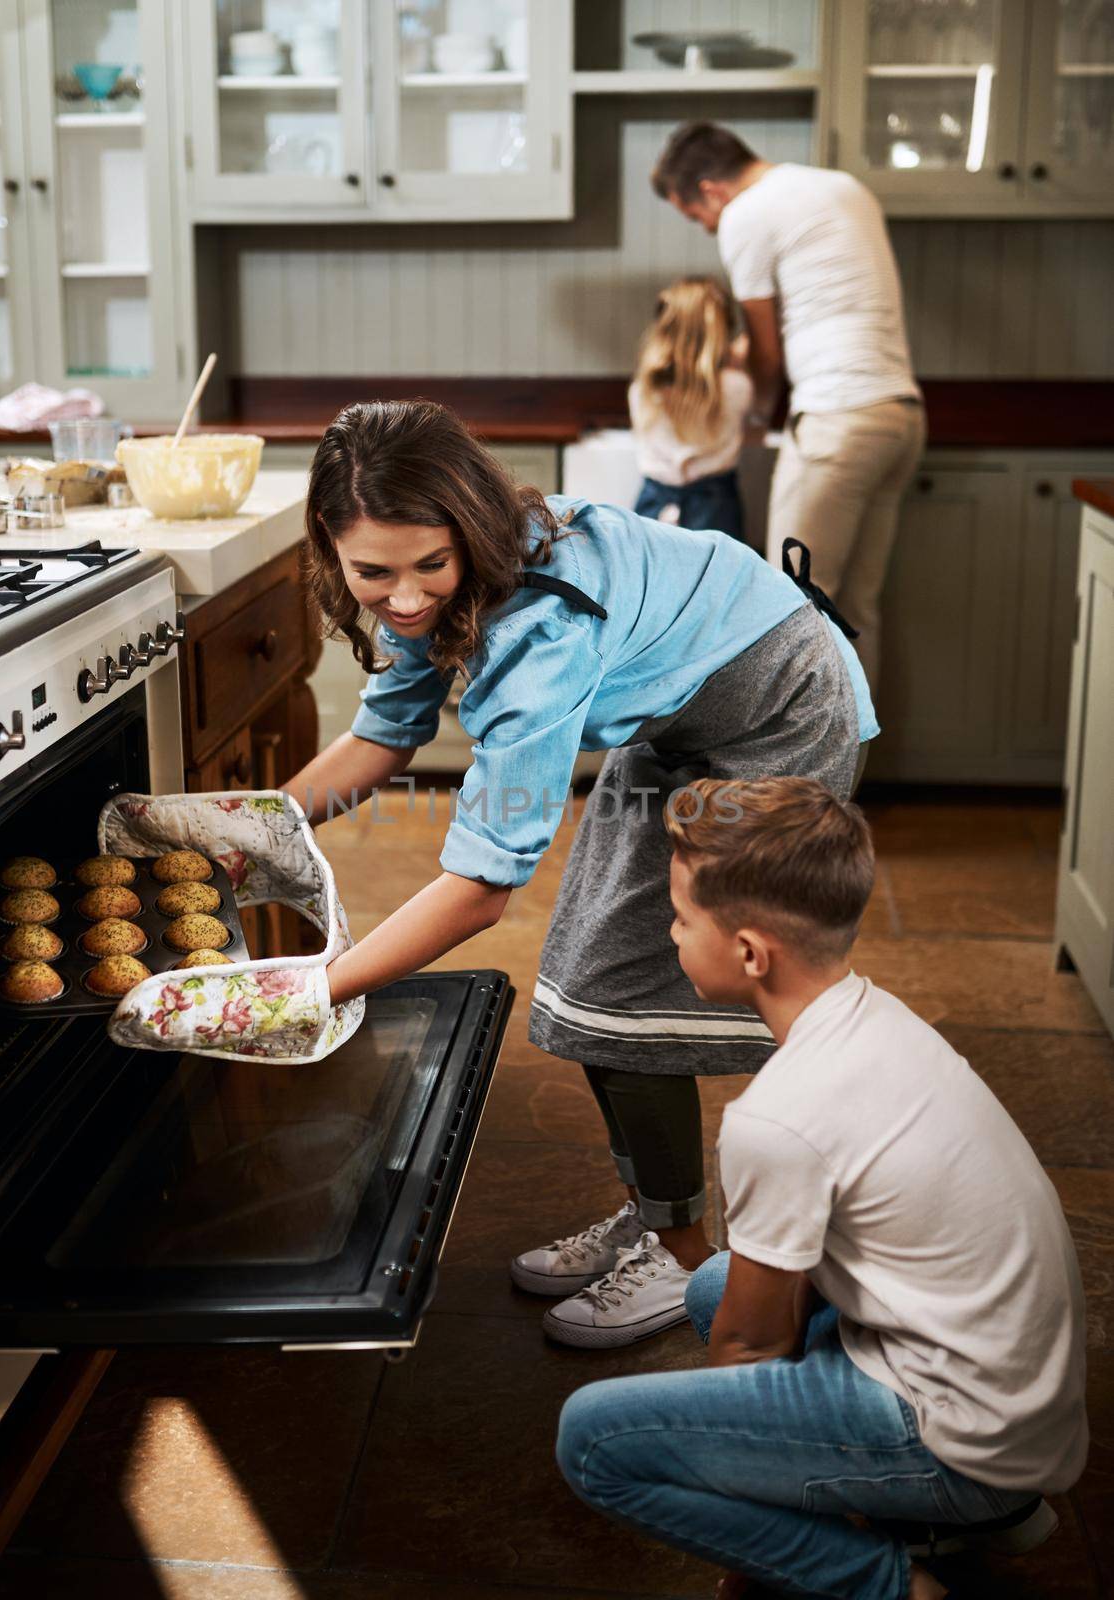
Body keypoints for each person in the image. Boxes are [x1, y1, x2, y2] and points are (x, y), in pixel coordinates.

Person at [287, 398, 877, 1348]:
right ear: (332, 549)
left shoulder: (536, 636)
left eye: (429, 566)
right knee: (594, 980)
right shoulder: (424, 573)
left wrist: (313, 988)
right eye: (373, 574)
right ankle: (657, 1213)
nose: (402, 599)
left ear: (470, 532)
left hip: (782, 712)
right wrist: (262, 830)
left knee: (627, 997)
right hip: (680, 711)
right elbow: (383, 735)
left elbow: (483, 888)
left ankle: (688, 1258)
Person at [556, 777, 1088, 1600]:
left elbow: (751, 1352)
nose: (669, 933)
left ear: (747, 953)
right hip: (1011, 1396)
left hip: (965, 1439)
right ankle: (969, 1515)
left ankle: (886, 1578)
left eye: (681, 917)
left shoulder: (778, 1117)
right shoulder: (874, 1017)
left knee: (592, 1439)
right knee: (713, 1286)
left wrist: (750, 1537)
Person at [651, 121, 926, 688]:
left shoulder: (747, 215)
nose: (707, 228)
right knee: (855, 613)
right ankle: (842, 778)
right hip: (900, 414)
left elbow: (768, 357)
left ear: (710, 190)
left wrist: (752, 415)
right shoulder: (842, 187)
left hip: (837, 419)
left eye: (695, 216)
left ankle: (794, 780)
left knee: (790, 611)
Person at [628, 276, 753, 542]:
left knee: (651, 581)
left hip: (654, 509)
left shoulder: (643, 390)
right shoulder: (736, 386)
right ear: (722, 335)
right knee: (718, 582)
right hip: (716, 509)